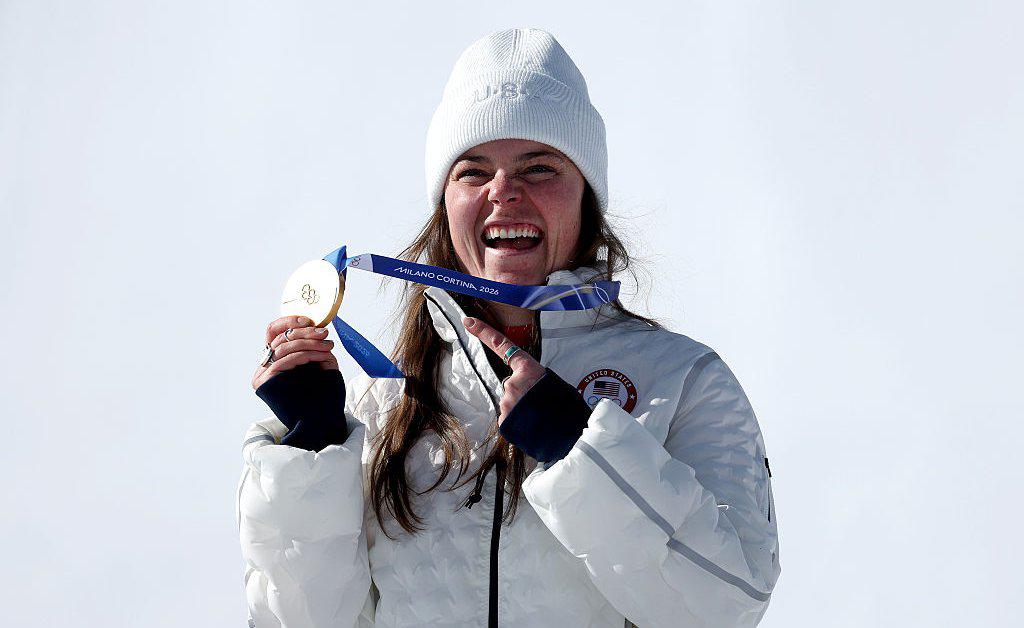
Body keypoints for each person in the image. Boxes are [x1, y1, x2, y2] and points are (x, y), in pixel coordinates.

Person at [238, 27, 780, 628]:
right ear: (445, 205)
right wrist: (312, 447)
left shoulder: (682, 380)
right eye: (473, 171)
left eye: (539, 167)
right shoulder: (381, 400)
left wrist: (579, 448)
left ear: (587, 199)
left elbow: (727, 606)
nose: (503, 192)